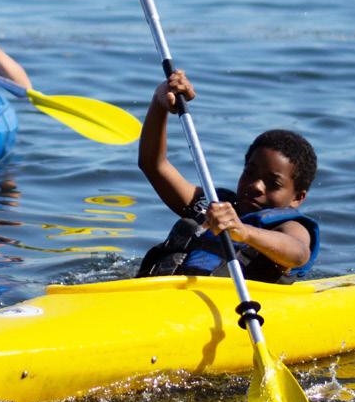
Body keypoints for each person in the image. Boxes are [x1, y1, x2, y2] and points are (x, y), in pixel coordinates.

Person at [136, 70, 319, 283]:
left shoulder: (290, 227)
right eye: (250, 173)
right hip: (158, 294)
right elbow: (153, 165)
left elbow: (298, 254)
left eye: (273, 183)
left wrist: (243, 232)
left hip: (233, 300)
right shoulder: (211, 206)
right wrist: (160, 104)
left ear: (297, 198)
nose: (257, 186)